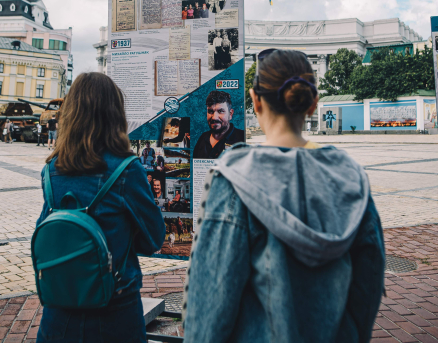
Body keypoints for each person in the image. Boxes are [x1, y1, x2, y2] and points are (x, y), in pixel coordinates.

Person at [184, 49, 384, 342]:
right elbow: (369, 281)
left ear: (254, 101)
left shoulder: (232, 180)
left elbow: (212, 299)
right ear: (313, 104)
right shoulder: (351, 177)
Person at [35, 72, 164, 343]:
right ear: (114, 114)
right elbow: (153, 239)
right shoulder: (126, 168)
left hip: (60, 308)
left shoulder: (52, 169)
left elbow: (45, 235)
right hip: (114, 310)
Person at [192, 90, 245, 159]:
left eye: (220, 111)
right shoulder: (203, 137)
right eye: (210, 111)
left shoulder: (243, 139)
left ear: (230, 114)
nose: (214, 117)